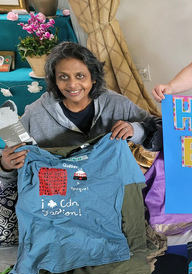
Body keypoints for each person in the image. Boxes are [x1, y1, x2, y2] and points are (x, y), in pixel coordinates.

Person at [0, 41, 161, 175]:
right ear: (54, 80)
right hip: (62, 196)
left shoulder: (117, 104)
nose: (72, 84)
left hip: (110, 185)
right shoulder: (35, 115)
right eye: (63, 77)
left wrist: (135, 130)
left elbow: (158, 131)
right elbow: (16, 173)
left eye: (80, 76)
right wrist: (6, 166)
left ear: (94, 78)